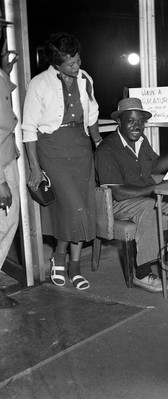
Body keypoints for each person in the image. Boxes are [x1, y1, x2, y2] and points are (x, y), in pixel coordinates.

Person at [22, 32, 103, 291]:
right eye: (71, 64)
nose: (77, 67)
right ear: (56, 63)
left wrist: (99, 143)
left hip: (80, 146)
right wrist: (35, 168)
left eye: (78, 60)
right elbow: (28, 129)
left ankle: (71, 264)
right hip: (52, 148)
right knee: (71, 208)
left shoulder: (85, 78)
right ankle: (61, 260)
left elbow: (92, 115)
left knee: (84, 207)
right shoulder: (39, 83)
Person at [95, 98, 168, 292]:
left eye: (141, 121)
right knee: (149, 208)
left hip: (142, 196)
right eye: (131, 120)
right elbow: (118, 193)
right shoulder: (107, 149)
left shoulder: (141, 141)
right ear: (119, 122)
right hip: (117, 202)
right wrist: (155, 189)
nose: (137, 126)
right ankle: (141, 274)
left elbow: (156, 166)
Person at [0, 17, 20, 308]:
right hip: (1, 163)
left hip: (7, 155)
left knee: (8, 223)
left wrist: (5, 72)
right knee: (6, 223)